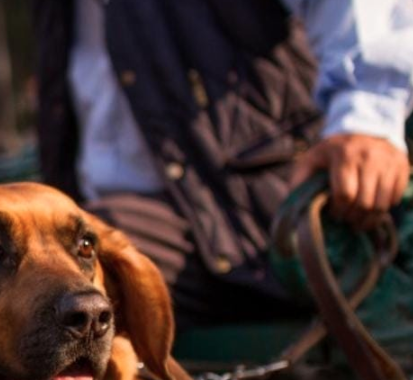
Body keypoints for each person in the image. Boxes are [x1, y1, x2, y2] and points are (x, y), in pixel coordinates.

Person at [33, 0, 412, 330]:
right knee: (25, 286)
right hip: (119, 220)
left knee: (71, 273)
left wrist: (365, 120)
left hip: (260, 225)